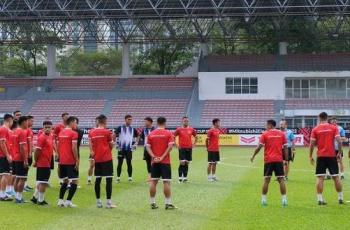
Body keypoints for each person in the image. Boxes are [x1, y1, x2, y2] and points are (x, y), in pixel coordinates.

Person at [250, 120, 288, 207]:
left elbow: (259, 147)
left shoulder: (265, 134)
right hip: (278, 160)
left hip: (268, 160)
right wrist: (285, 160)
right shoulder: (282, 134)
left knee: (266, 180)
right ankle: (284, 200)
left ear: (270, 125)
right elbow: (285, 148)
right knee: (281, 179)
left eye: (266, 125)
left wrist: (253, 156)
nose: (265, 126)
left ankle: (263, 200)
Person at [310, 112, 344, 205]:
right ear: (327, 118)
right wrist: (339, 153)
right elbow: (339, 141)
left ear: (319, 118)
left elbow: (312, 144)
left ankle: (320, 199)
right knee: (336, 177)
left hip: (321, 156)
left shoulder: (315, 129)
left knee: (320, 177)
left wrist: (310, 155)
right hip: (331, 155)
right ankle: (340, 198)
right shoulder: (333, 127)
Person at [146, 117, 176, 210]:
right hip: (165, 162)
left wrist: (154, 157)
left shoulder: (151, 133)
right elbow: (170, 147)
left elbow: (147, 147)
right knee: (166, 182)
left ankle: (152, 203)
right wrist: (162, 157)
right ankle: (168, 204)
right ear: (165, 123)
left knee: (153, 182)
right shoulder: (168, 133)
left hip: (154, 162)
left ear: (157, 122)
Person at [89, 115, 116, 209]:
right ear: (104, 121)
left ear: (98, 121)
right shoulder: (107, 132)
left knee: (98, 179)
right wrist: (108, 151)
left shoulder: (91, 132)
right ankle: (108, 203)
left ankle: (98, 202)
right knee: (109, 180)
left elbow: (90, 145)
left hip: (97, 158)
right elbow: (111, 144)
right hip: (107, 158)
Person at [57, 116, 79, 208]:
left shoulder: (61, 132)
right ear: (72, 122)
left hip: (62, 161)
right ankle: (68, 202)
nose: (76, 125)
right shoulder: (74, 133)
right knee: (74, 181)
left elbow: (58, 146)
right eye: (76, 123)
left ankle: (60, 201)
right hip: (70, 161)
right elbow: (74, 147)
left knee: (65, 181)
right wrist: (77, 160)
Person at [30, 120, 54, 205]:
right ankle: (40, 200)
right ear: (43, 128)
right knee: (43, 182)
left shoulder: (50, 136)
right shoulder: (42, 137)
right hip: (42, 163)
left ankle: (34, 197)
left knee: (41, 181)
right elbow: (37, 151)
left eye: (49, 127)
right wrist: (36, 161)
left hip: (47, 161)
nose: (47, 129)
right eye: (46, 127)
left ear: (52, 128)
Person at [114, 114, 139, 183]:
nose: (130, 121)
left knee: (129, 163)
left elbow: (138, 136)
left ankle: (130, 177)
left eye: (131, 119)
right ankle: (118, 177)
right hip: (121, 149)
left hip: (129, 149)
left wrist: (136, 144)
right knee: (120, 163)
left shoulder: (133, 129)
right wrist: (115, 143)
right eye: (129, 119)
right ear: (125, 120)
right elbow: (114, 134)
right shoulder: (120, 127)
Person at [174, 116, 197, 183]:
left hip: (189, 148)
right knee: (182, 162)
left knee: (187, 163)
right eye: (184, 121)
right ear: (182, 121)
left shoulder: (191, 129)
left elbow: (196, 137)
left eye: (187, 121)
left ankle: (185, 178)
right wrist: (176, 145)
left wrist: (194, 144)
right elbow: (173, 137)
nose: (186, 122)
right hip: (182, 148)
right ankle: (180, 178)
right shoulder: (179, 129)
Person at [12, 116, 29, 203]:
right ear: (23, 122)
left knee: (17, 178)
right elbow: (22, 147)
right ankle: (19, 198)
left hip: (15, 157)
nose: (28, 123)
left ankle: (17, 197)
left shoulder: (15, 131)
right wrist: (25, 160)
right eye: (27, 122)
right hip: (20, 158)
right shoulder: (22, 132)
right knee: (22, 178)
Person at [0, 114, 14, 201]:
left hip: (3, 155)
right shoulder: (3, 129)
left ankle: (2, 193)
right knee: (5, 175)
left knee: (3, 175)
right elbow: (2, 143)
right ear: (10, 120)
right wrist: (7, 155)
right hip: (3, 156)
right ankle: (2, 195)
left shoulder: (5, 129)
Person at [140, 117, 155, 181]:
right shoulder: (144, 130)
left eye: (146, 121)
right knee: (148, 162)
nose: (145, 123)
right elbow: (143, 138)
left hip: (154, 148)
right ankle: (150, 176)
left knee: (154, 162)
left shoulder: (155, 129)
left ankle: (155, 176)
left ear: (150, 122)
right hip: (146, 148)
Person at [24, 115, 34, 191]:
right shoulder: (26, 130)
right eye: (31, 121)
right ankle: (23, 185)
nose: (32, 122)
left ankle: (25, 184)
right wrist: (30, 152)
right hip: (27, 152)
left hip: (29, 152)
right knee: (25, 169)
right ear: (27, 121)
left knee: (27, 169)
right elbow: (28, 142)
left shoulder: (29, 129)